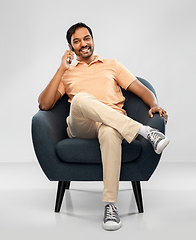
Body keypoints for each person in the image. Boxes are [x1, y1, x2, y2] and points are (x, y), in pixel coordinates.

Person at [38, 22, 170, 231]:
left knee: (110, 131)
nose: (83, 44)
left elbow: (143, 90)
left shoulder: (112, 65)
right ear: (71, 47)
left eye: (86, 38)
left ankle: (111, 206)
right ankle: (143, 131)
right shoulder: (67, 74)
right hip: (82, 126)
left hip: (112, 124)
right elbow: (44, 104)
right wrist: (61, 68)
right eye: (77, 41)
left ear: (92, 39)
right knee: (81, 99)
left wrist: (154, 105)